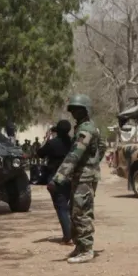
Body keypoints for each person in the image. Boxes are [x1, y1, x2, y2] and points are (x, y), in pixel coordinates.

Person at [51, 95, 104, 263]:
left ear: (85, 110)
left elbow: (74, 155)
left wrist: (58, 178)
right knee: (75, 210)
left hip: (84, 177)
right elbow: (102, 147)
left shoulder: (85, 129)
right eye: (72, 109)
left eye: (77, 109)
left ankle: (86, 249)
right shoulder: (87, 127)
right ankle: (79, 246)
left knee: (81, 212)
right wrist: (94, 162)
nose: (74, 112)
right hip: (82, 175)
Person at [38, 120, 74, 242]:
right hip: (71, 176)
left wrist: (46, 139)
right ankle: (73, 232)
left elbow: (39, 153)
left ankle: (68, 235)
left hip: (55, 177)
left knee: (61, 206)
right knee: (69, 205)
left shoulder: (52, 143)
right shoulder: (73, 143)